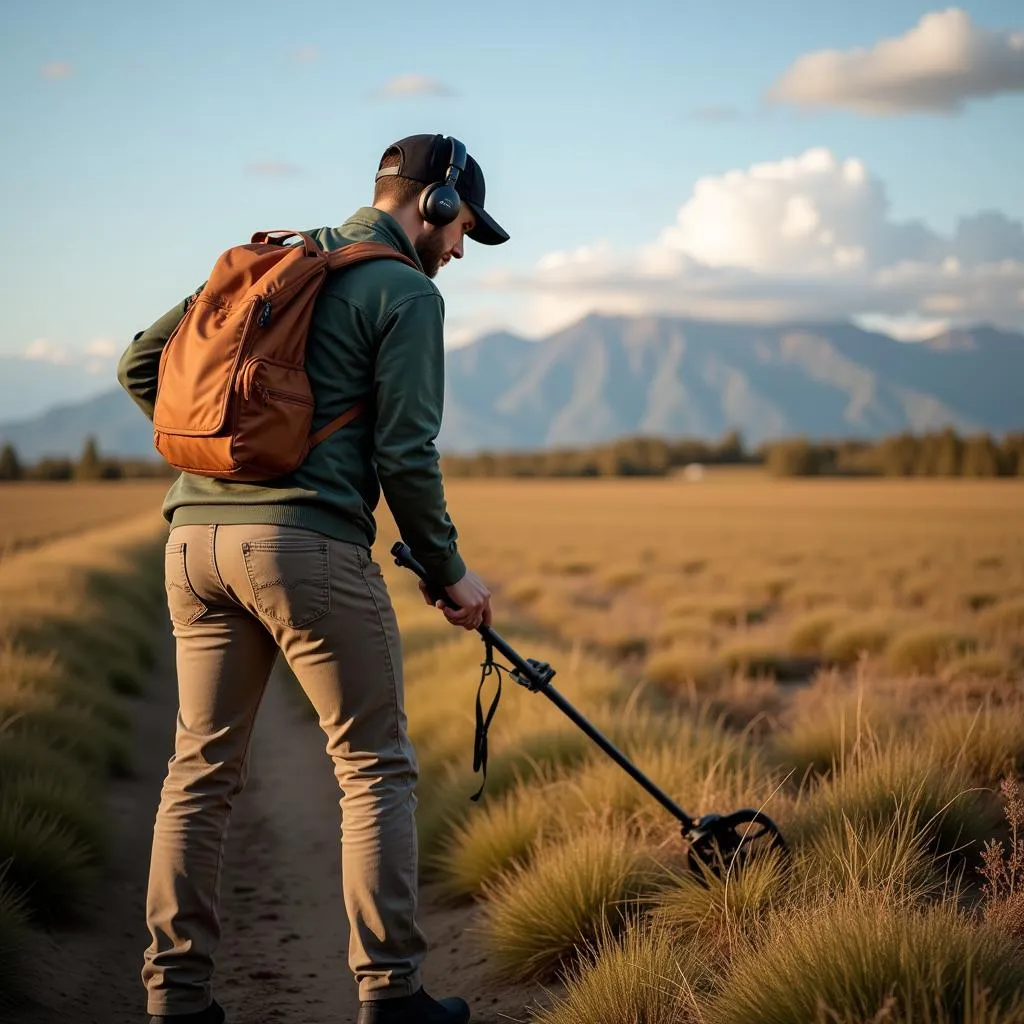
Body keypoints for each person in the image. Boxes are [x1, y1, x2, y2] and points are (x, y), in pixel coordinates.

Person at [116, 133, 509, 1024]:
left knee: (199, 771)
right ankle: (391, 997)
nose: (458, 252)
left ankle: (174, 1000)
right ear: (436, 204)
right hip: (304, 548)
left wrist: (228, 454)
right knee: (374, 769)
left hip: (192, 547)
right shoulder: (405, 292)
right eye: (463, 231)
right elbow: (407, 453)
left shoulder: (272, 262)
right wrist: (449, 574)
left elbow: (141, 365)